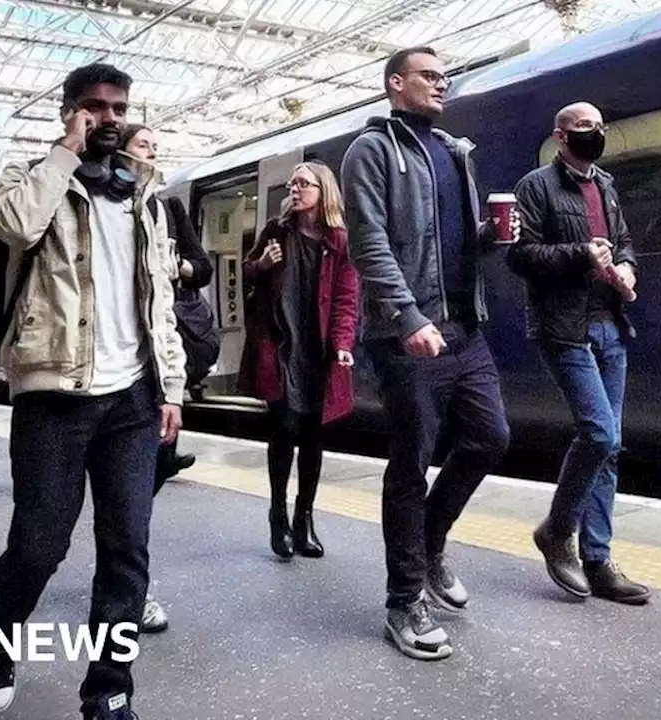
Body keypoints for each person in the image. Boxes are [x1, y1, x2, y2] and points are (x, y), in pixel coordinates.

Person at [0, 63, 186, 720]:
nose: (107, 117)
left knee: (127, 550)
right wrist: (65, 150)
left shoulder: (144, 195)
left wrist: (171, 385)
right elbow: (14, 227)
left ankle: (109, 689)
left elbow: (160, 302)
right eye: (93, 106)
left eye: (117, 107)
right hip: (54, 396)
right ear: (70, 111)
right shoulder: (29, 178)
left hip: (132, 399)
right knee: (40, 544)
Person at [341, 46, 518, 661]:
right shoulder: (372, 150)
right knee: (412, 463)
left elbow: (450, 244)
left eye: (446, 74)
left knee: (490, 438)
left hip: (465, 330)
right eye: (428, 75)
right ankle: (403, 600)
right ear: (396, 84)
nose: (442, 82)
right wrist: (408, 315)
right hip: (407, 335)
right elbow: (369, 243)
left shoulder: (452, 151)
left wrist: (491, 240)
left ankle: (431, 542)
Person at [508, 101, 651, 605]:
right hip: (564, 328)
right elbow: (520, 257)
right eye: (584, 127)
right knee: (599, 431)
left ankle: (598, 560)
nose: (595, 133)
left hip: (610, 324)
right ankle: (556, 530)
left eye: (599, 126)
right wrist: (579, 255)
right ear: (560, 135)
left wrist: (627, 268)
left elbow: (626, 241)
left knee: (610, 449)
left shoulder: (606, 185)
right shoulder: (536, 187)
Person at [239, 161, 359, 561]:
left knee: (312, 436)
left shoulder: (340, 240)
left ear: (322, 191)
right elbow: (249, 272)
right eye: (292, 184)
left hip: (318, 351)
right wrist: (263, 265)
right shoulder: (277, 231)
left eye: (303, 184)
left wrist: (343, 343)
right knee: (284, 430)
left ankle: (304, 520)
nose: (295, 189)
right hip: (282, 347)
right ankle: (278, 513)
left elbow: (346, 297)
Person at [118, 122, 212, 635]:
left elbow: (202, 267)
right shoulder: (94, 203)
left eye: (155, 147)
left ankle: (130, 588)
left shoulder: (167, 207)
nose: (151, 153)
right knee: (46, 530)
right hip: (98, 367)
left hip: (153, 357)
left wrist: (170, 268)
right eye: (142, 145)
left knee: (136, 488)